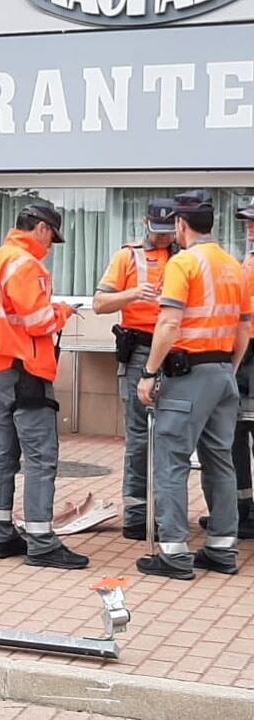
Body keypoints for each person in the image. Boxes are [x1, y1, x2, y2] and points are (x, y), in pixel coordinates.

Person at [136, 190, 250, 580]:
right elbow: (244, 327)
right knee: (220, 460)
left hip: (188, 376)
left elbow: (168, 323)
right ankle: (221, 548)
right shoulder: (234, 266)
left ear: (181, 225)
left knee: (171, 459)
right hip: (222, 373)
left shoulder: (184, 263)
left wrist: (150, 372)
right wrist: (228, 369)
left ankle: (173, 553)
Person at [0, 203, 88, 570]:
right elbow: (38, 322)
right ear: (40, 229)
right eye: (51, 238)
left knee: (4, 452)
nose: (50, 247)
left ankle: (0, 532)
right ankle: (41, 541)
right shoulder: (27, 265)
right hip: (26, 370)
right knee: (41, 457)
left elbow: (7, 314)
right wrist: (63, 312)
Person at [93, 200, 177, 540]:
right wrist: (132, 294)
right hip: (140, 349)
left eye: (168, 231)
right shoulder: (127, 256)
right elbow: (99, 303)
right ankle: (136, 514)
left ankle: (166, 512)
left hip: (177, 351)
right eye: (157, 231)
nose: (162, 237)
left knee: (171, 435)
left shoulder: (184, 255)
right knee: (140, 436)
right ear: (146, 223)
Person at [209, 198, 254, 539]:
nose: (249, 227)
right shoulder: (248, 260)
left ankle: (244, 513)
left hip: (249, 357)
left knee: (239, 434)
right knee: (236, 435)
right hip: (243, 356)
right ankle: (241, 509)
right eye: (247, 221)